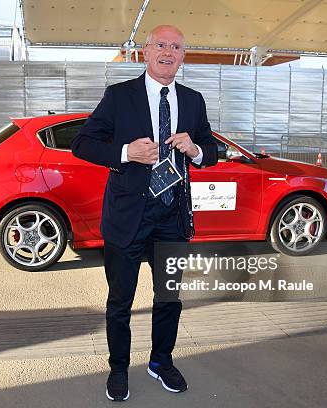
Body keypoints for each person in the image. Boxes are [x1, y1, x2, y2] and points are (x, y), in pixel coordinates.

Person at [72, 25, 218, 401]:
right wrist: (124, 153)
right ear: (145, 51)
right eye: (161, 45)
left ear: (183, 55)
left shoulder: (193, 100)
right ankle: (118, 368)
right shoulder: (120, 96)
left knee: (169, 298)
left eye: (176, 47)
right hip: (128, 217)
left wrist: (196, 150)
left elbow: (211, 150)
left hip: (171, 216)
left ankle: (160, 360)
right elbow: (82, 144)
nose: (168, 52)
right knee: (120, 300)